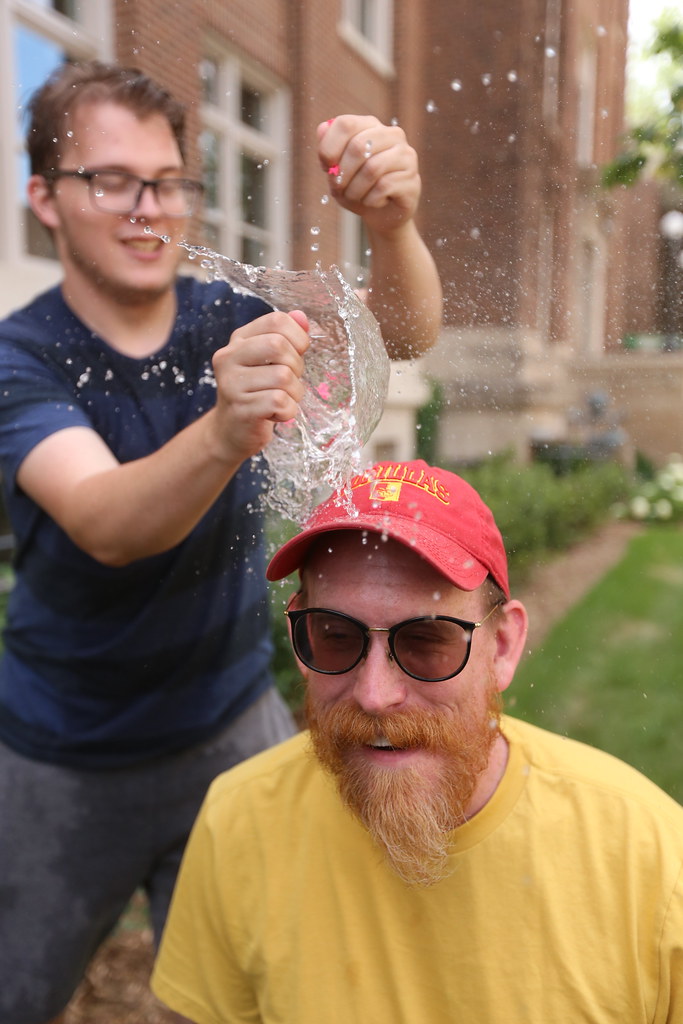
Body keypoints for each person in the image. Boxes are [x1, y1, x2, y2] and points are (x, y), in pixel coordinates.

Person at [0, 58, 442, 1024]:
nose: (145, 208)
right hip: (63, 754)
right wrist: (220, 429)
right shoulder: (18, 355)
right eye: (109, 180)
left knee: (252, 1001)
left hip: (232, 730)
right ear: (44, 199)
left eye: (166, 182)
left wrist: (392, 223)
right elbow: (106, 523)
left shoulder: (223, 311)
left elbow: (401, 337)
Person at [152, 458, 683, 1024]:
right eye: (335, 637)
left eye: (428, 641)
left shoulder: (649, 860)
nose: (375, 694)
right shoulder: (239, 822)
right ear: (297, 637)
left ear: (502, 648)